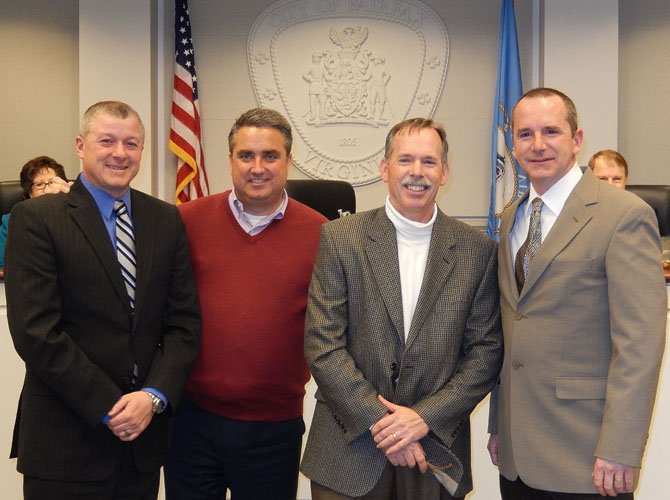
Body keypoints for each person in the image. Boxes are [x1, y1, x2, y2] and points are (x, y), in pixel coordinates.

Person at [5, 100, 201, 500]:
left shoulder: (165, 220)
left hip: (142, 444)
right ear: (80, 145)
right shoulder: (38, 218)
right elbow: (36, 333)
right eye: (107, 140)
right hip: (65, 442)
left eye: (131, 143)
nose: (119, 153)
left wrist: (153, 397)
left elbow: (183, 325)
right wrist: (110, 406)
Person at [300, 117, 503, 499]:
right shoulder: (340, 238)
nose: (417, 172)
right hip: (349, 449)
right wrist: (386, 425)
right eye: (405, 160)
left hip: (435, 448)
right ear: (384, 168)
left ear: (444, 173)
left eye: (429, 162)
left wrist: (423, 419)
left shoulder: (478, 251)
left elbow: (485, 352)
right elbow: (323, 344)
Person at [487, 88, 666, 499]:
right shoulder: (512, 217)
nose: (538, 144)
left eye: (551, 131)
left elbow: (640, 345)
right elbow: (511, 328)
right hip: (517, 455)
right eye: (525, 134)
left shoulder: (624, 215)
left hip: (589, 457)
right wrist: (500, 423)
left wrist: (621, 447)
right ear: (512, 145)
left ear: (577, 139)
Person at [166, 107, 328, 500]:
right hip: (191, 421)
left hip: (273, 428)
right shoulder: (185, 221)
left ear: (288, 161)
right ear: (231, 160)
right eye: (246, 155)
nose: (257, 167)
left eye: (270, 156)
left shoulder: (324, 234)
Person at [0, 155, 71, 267]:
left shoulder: (74, 216)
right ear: (29, 192)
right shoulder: (12, 220)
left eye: (52, 183)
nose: (47, 190)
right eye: (39, 185)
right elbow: (3, 263)